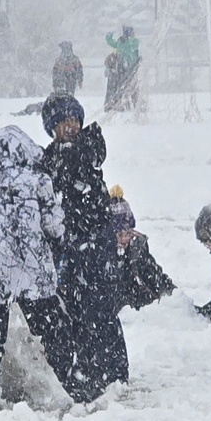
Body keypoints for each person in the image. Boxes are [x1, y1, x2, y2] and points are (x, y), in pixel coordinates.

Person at [0, 125, 83, 411]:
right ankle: (71, 380)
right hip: (32, 271)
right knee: (51, 329)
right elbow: (54, 226)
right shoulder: (38, 182)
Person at [40, 92, 128, 399]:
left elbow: (86, 159)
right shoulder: (49, 158)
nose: (71, 126)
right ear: (52, 126)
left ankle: (114, 372)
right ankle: (86, 370)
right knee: (74, 309)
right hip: (69, 246)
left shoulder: (87, 147)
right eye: (63, 122)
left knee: (101, 308)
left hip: (95, 242)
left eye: (75, 120)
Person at [108, 184, 175, 311]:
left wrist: (174, 296)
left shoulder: (137, 248)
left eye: (128, 233)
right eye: (119, 234)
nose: (124, 239)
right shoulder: (104, 253)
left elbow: (154, 275)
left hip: (138, 305)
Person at [104, 25, 140, 110]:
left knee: (123, 86)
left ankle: (123, 104)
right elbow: (134, 44)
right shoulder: (131, 42)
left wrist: (110, 35)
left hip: (122, 68)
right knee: (131, 87)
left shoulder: (121, 42)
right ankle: (132, 105)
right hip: (129, 68)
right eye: (132, 32)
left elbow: (111, 42)